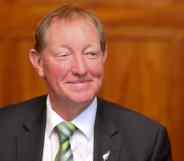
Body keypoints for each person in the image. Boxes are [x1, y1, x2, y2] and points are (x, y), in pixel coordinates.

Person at [0, 4, 172, 161]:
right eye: (64, 55)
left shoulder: (147, 141)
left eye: (91, 54)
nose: (81, 69)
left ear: (104, 56)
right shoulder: (4, 129)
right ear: (38, 62)